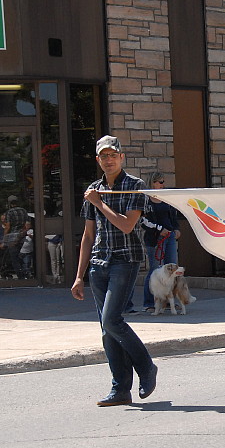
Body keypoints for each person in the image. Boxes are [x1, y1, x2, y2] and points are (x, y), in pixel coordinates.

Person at [70, 135, 158, 406]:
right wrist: (78, 276)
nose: (108, 160)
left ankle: (146, 368)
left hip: (125, 260)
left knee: (112, 320)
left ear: (121, 157)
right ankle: (120, 389)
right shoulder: (93, 189)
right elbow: (87, 235)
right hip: (99, 264)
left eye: (113, 155)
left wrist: (99, 203)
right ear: (98, 160)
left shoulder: (134, 186)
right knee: (106, 330)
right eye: (103, 156)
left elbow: (127, 225)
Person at [140, 171, 181, 313]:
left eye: (163, 182)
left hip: (169, 236)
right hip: (154, 238)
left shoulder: (166, 198)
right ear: (153, 182)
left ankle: (170, 302)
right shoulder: (145, 199)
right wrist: (158, 229)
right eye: (160, 182)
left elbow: (173, 216)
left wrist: (175, 228)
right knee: (154, 270)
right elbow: (143, 221)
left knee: (172, 270)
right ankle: (149, 302)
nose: (163, 185)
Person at [3, 195, 29, 279]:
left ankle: (20, 276)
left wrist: (4, 237)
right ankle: (25, 273)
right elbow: (27, 224)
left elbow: (8, 226)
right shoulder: (24, 211)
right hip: (22, 235)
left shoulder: (9, 212)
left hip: (12, 237)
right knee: (21, 256)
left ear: (10, 204)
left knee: (14, 258)